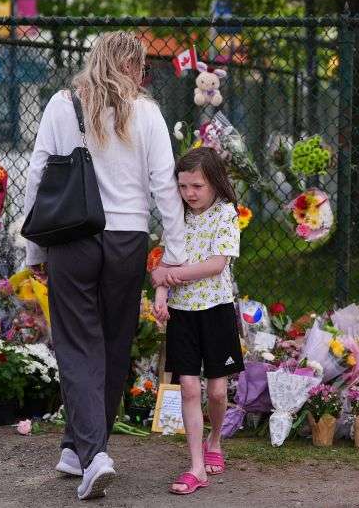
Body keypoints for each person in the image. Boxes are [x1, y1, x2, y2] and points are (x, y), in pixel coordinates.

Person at [22, 31, 187, 500]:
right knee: (113, 344)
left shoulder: (61, 104)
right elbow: (164, 190)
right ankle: (80, 449)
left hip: (72, 238)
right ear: (134, 66)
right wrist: (173, 254)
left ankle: (90, 453)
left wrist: (34, 250)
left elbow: (39, 174)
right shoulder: (149, 113)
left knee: (77, 344)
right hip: (127, 241)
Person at [151, 147, 244, 495]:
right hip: (182, 314)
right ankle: (196, 467)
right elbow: (166, 263)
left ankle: (215, 439)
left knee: (217, 391)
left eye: (197, 186)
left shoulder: (225, 214)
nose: (189, 193)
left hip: (216, 310)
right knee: (189, 387)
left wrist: (170, 278)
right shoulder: (177, 217)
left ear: (215, 184)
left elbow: (214, 265)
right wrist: (161, 295)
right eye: (183, 186)